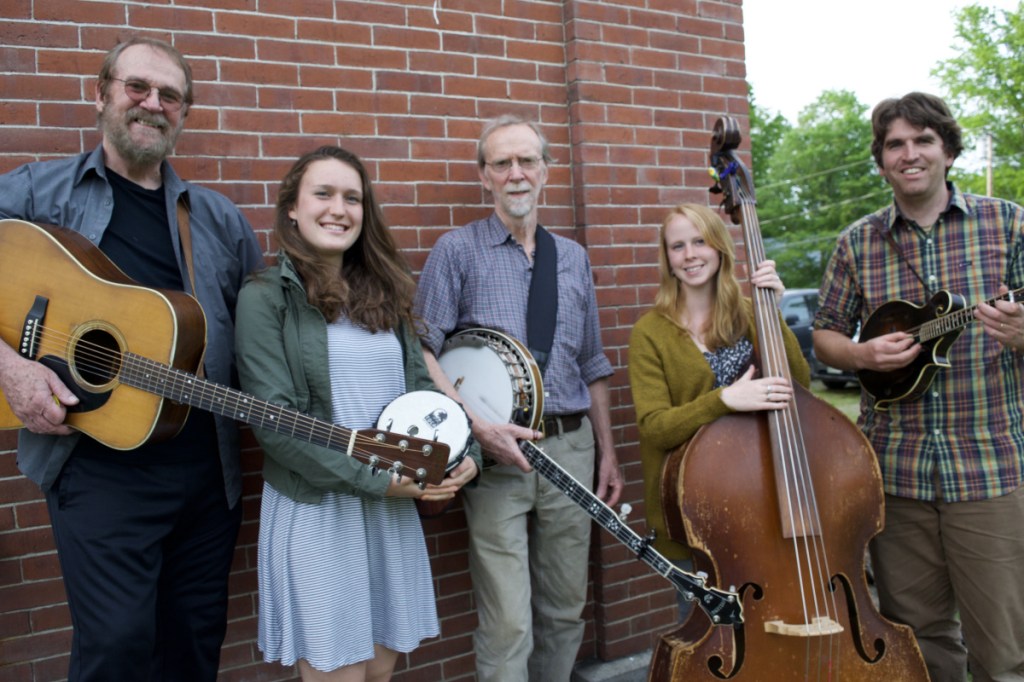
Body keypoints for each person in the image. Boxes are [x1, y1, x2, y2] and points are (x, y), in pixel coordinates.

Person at [0, 37, 264, 680]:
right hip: (94, 468)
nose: (152, 104)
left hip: (207, 473)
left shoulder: (218, 219)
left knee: (193, 648)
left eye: (170, 95)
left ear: (185, 113)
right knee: (116, 649)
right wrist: (11, 367)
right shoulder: (39, 192)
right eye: (137, 87)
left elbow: (269, 327)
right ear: (102, 95)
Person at [234, 145, 480, 681]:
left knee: (378, 674)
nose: (338, 209)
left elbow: (425, 391)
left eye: (352, 197)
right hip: (320, 510)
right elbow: (275, 423)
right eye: (322, 194)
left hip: (389, 510)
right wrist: (378, 479)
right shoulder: (264, 297)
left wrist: (466, 455)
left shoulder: (384, 294)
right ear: (292, 209)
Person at [813, 92, 1024, 682]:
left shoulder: (1008, 223)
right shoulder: (858, 241)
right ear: (881, 161)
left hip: (989, 469)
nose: (910, 154)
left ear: (949, 151)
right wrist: (859, 352)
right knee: (919, 640)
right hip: (896, 472)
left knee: (1004, 648)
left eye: (923, 140)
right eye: (895, 145)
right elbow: (825, 333)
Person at [413, 114, 623, 682]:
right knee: (508, 622)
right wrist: (478, 428)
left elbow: (592, 363)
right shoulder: (457, 250)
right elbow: (421, 350)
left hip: (572, 451)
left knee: (563, 609)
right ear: (484, 176)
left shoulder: (573, 258)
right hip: (495, 458)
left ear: (546, 171)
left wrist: (607, 452)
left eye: (527, 160)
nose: (516, 173)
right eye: (502, 163)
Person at [628, 203, 809, 620]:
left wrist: (772, 312)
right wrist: (724, 399)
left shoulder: (749, 312)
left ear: (719, 248)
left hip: (764, 492)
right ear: (667, 258)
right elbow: (655, 428)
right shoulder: (650, 332)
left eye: (699, 241)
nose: (690, 254)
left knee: (776, 620)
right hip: (691, 509)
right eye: (677, 246)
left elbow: (799, 386)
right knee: (706, 630)